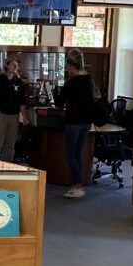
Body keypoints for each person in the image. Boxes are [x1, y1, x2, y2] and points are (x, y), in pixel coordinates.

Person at [58, 48, 96, 198]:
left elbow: (60, 101)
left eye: (68, 67)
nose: (67, 70)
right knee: (78, 152)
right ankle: (76, 183)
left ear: (72, 66)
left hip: (74, 121)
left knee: (69, 153)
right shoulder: (89, 80)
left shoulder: (71, 83)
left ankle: (78, 185)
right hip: (87, 122)